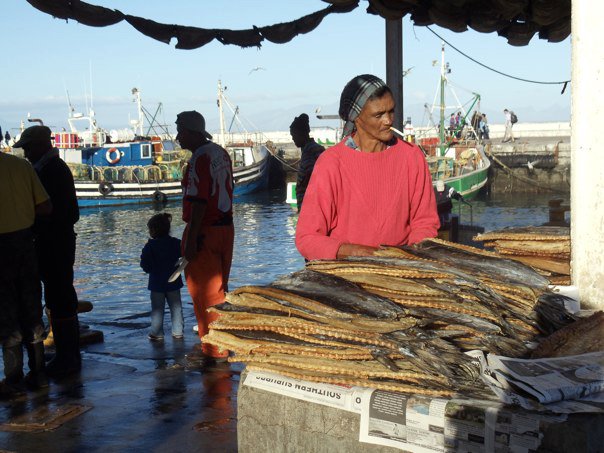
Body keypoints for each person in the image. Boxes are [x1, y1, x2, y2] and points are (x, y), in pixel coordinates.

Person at [295, 74, 439, 260]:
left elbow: (425, 223)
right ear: (356, 118)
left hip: (401, 271)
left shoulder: (412, 157)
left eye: (391, 111)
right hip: (345, 277)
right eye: (378, 115)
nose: (388, 120)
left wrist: (408, 259)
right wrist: (362, 253)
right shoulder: (331, 163)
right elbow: (307, 238)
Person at [17, 125, 81, 378]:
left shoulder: (51, 170)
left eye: (29, 148)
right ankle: (68, 355)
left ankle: (68, 358)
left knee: (60, 296)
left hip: (55, 243)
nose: (27, 153)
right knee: (60, 295)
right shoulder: (52, 168)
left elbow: (60, 212)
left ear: (41, 145)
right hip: (58, 241)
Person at [176, 110, 234, 364]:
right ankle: (223, 341)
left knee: (205, 293)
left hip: (205, 230)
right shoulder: (221, 153)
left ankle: (214, 350)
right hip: (226, 228)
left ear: (190, 132)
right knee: (220, 289)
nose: (178, 137)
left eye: (180, 131)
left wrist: (191, 240)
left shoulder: (199, 158)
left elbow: (199, 202)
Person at [0, 151, 52, 397]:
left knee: (6, 313)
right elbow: (45, 207)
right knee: (31, 307)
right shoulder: (22, 166)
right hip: (25, 244)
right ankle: (39, 374)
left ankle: (13, 380)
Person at [141, 213, 184, 341]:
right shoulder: (176, 243)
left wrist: (150, 270)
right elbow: (185, 253)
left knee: (157, 310)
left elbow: (144, 265)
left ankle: (157, 333)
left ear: (153, 230)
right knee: (176, 308)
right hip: (174, 282)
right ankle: (178, 331)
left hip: (156, 284)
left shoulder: (150, 247)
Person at [289, 113, 325, 211]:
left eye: (294, 135)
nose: (293, 138)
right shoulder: (307, 151)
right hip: (307, 208)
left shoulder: (313, 150)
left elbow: (316, 177)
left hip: (313, 208)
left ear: (302, 133)